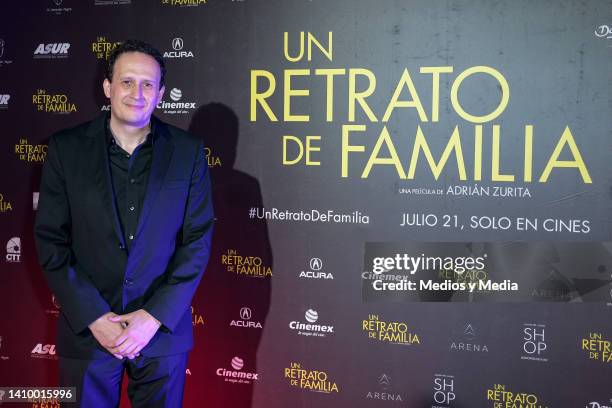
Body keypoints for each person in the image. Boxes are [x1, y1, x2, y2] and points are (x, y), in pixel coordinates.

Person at [34, 39, 214, 407]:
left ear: (161, 93)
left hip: (161, 334)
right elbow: (51, 240)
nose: (137, 93)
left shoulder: (188, 152)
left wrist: (152, 317)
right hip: (88, 332)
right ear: (108, 87)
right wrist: (95, 317)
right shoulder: (65, 149)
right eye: (127, 81)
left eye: (148, 84)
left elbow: (197, 241)